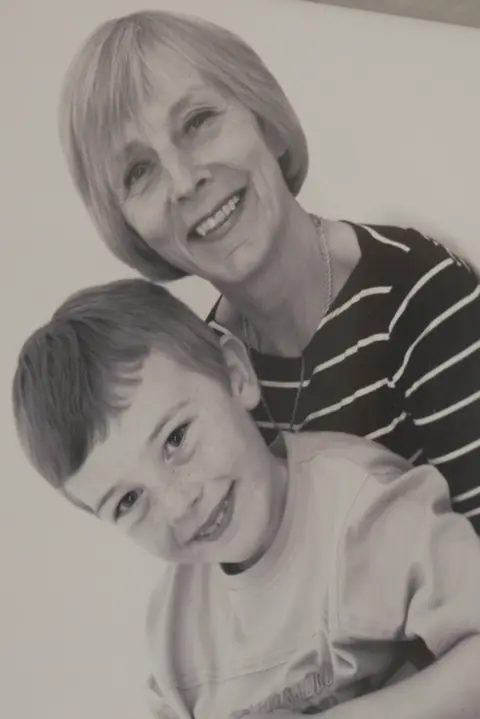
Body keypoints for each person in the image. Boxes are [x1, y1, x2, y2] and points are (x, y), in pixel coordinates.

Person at [58, 10, 480, 534]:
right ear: (129, 228)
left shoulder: (420, 296)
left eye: (197, 122)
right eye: (139, 171)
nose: (185, 182)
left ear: (267, 126)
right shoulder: (203, 377)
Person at [12, 278, 480, 719]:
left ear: (237, 376)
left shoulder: (362, 511)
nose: (178, 504)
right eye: (129, 500)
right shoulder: (175, 635)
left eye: (176, 438)